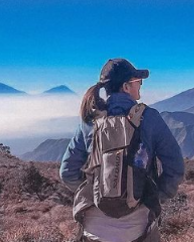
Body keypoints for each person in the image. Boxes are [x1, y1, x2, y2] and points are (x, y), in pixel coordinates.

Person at [60, 58, 185, 242]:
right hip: (137, 227)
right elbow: (175, 169)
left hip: (94, 229)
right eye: (138, 82)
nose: (140, 86)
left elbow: (67, 172)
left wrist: (95, 192)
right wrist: (153, 197)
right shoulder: (149, 118)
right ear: (126, 87)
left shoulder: (90, 121)